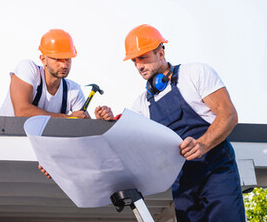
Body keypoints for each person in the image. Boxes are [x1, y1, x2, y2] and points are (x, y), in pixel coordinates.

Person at [95, 24, 244, 221]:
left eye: (144, 57)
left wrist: (202, 143)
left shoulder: (195, 73)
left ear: (161, 52)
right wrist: (106, 120)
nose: (139, 65)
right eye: (134, 60)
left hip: (216, 171)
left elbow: (229, 114)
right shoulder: (141, 105)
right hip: (182, 182)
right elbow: (124, 137)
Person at [0, 29, 89, 119]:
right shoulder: (28, 69)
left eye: (67, 59)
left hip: (36, 133)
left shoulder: (73, 90)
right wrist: (67, 117)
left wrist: (99, 121)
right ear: (43, 59)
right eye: (58, 59)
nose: (64, 65)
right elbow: (22, 111)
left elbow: (84, 125)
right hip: (4, 131)